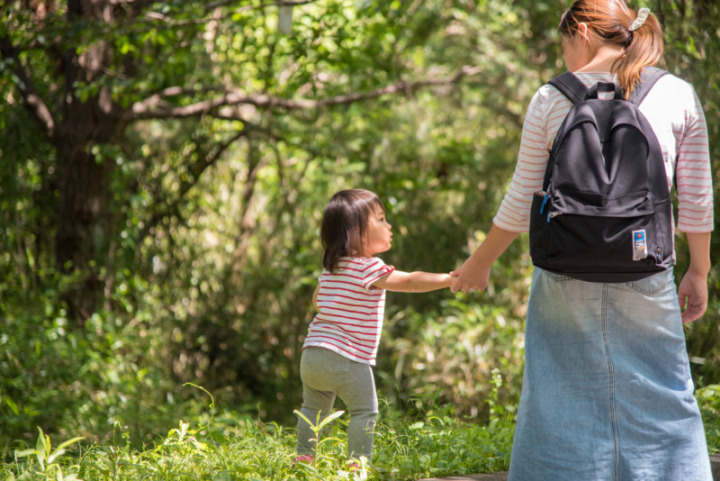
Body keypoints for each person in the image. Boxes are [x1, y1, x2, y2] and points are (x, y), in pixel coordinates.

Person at [451, 1, 714, 480]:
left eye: (564, 42)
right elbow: (696, 199)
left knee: (557, 399)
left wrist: (480, 263)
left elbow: (520, 199)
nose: (564, 55)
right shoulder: (677, 94)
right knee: (664, 395)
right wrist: (699, 270)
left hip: (562, 272)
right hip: (646, 266)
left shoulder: (552, 99)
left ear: (585, 32)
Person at [294, 188, 454, 467]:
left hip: (312, 354)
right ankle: (356, 467)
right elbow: (410, 282)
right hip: (347, 357)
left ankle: (303, 461)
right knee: (364, 411)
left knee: (312, 410)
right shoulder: (367, 267)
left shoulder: (332, 267)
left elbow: (318, 301)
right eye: (380, 219)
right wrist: (448, 279)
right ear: (353, 232)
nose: (388, 225)